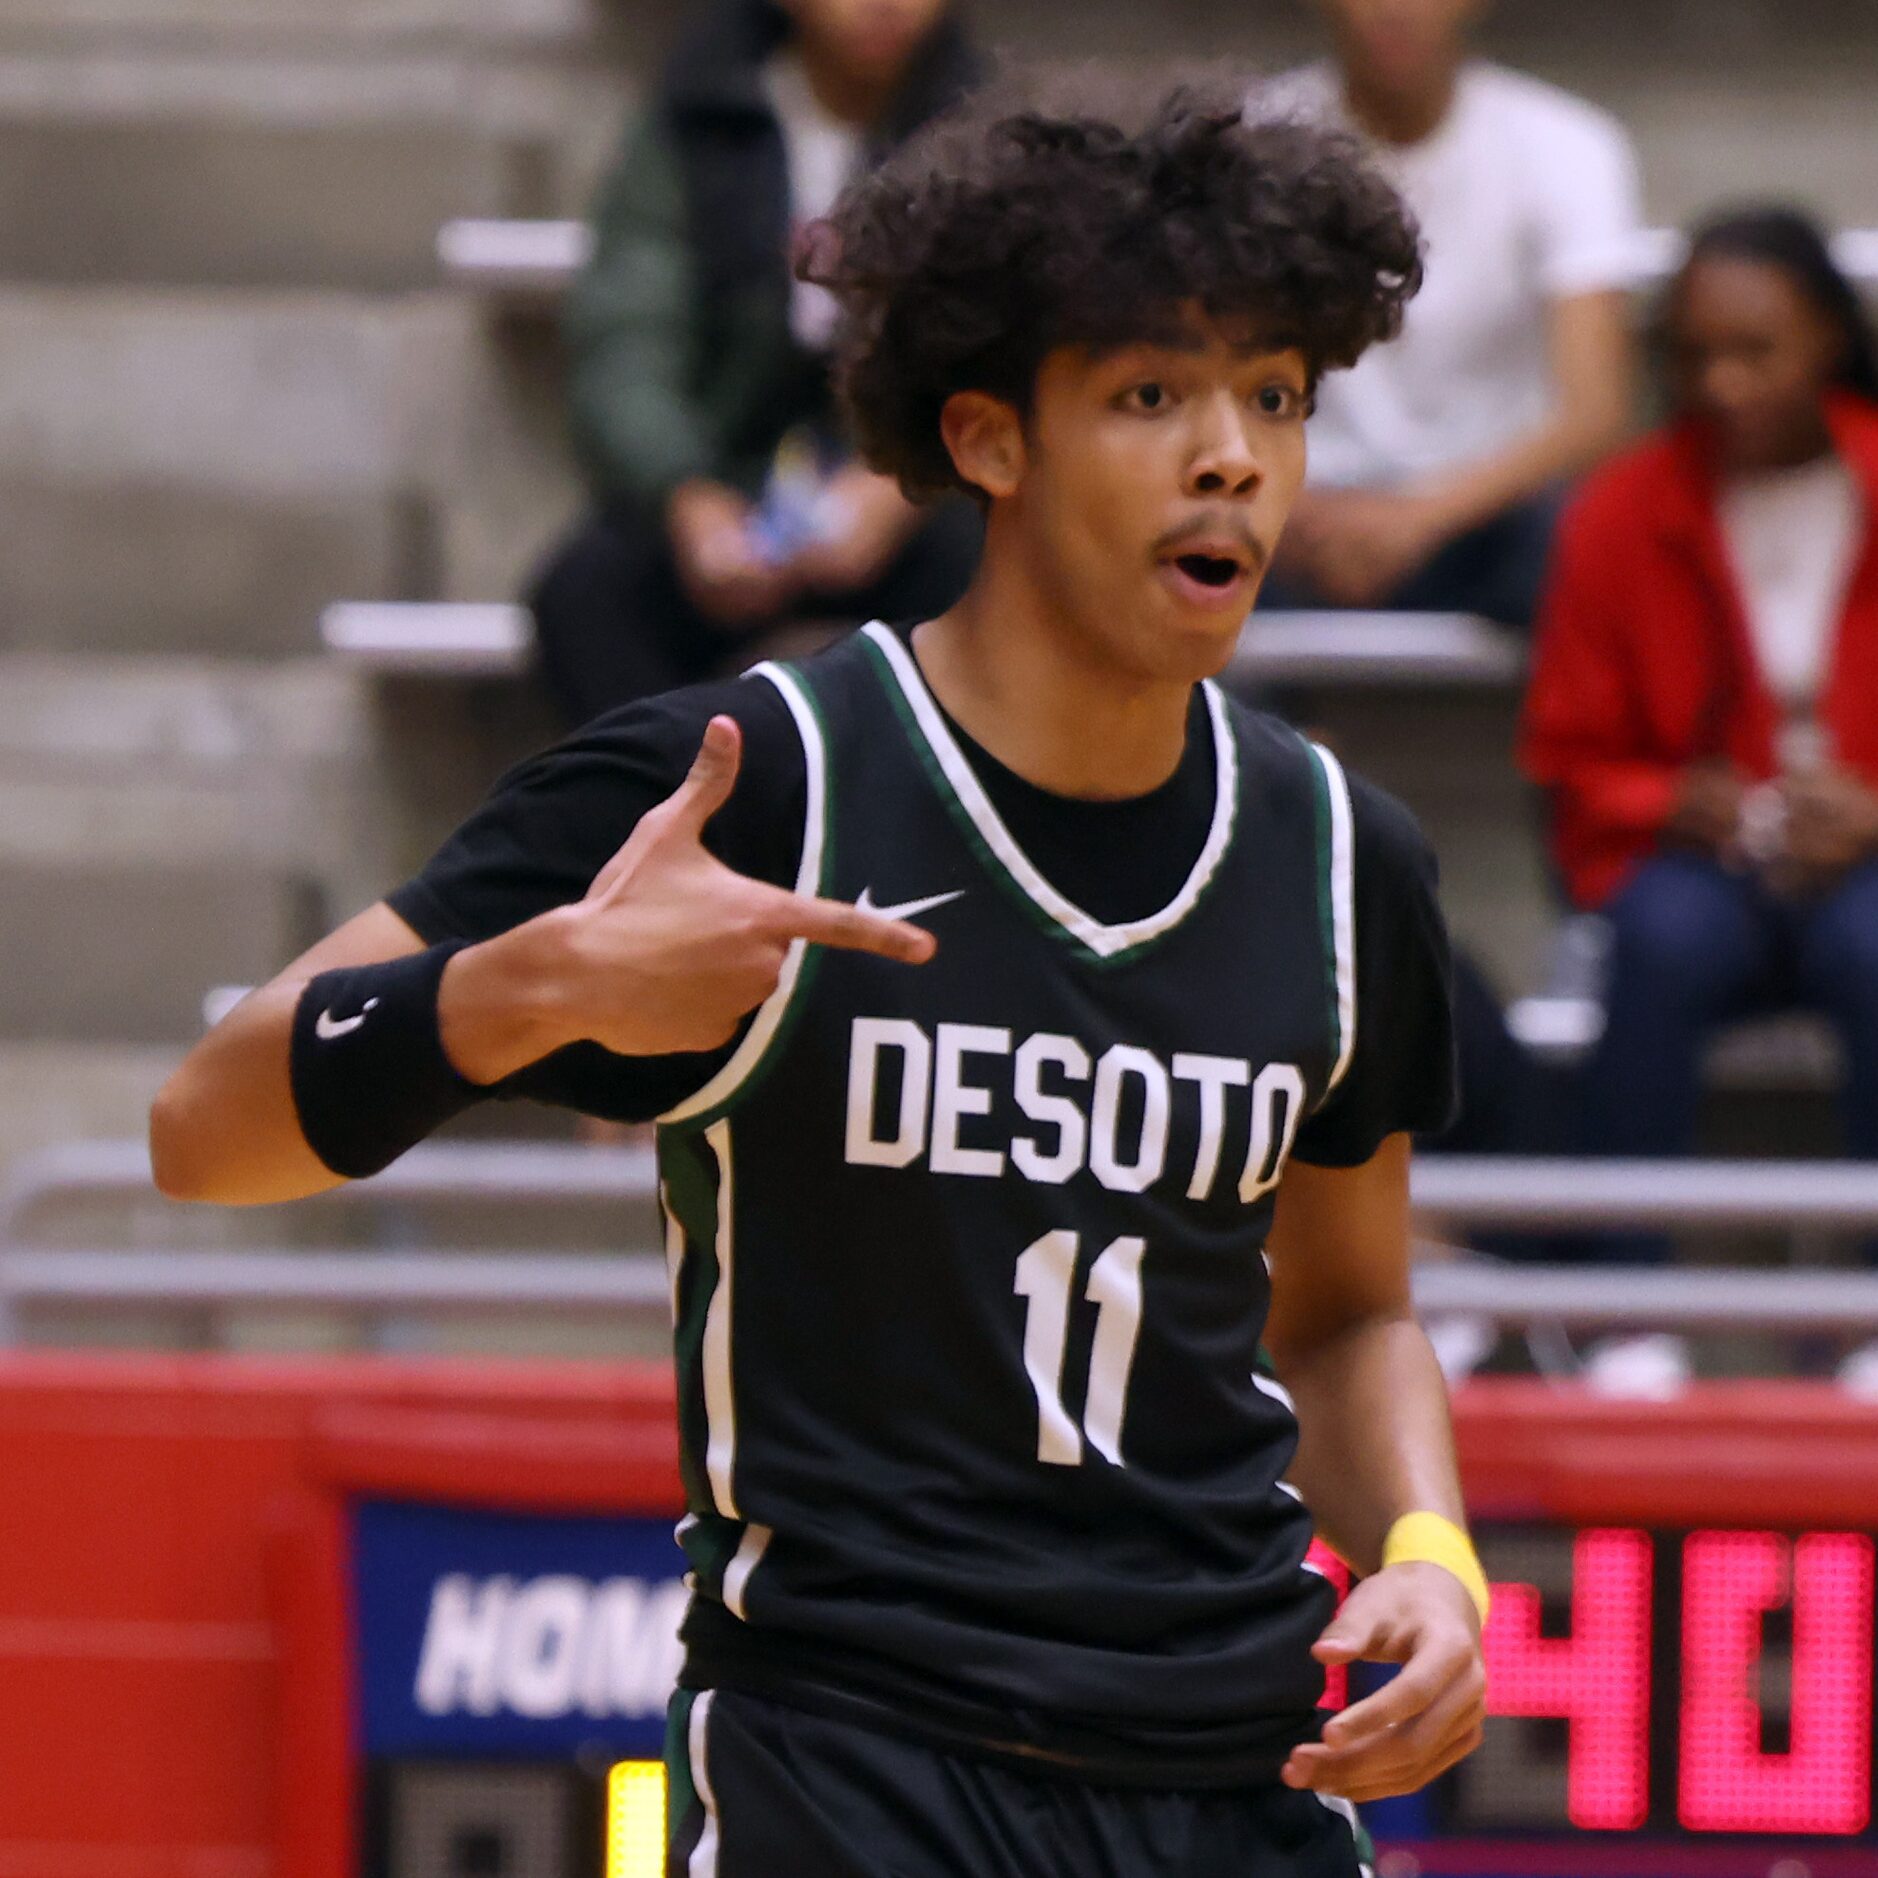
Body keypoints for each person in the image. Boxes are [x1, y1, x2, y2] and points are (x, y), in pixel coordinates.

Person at [150, 79, 1488, 1875]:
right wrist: (530, 989)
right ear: (988, 439)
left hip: (1233, 1770)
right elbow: (205, 1124)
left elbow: (1339, 1314)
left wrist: (1427, 1549)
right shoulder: (749, 780)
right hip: (852, 1766)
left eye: (1274, 397)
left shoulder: (1342, 858)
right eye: (1151, 395)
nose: (1231, 454)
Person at [1521, 208, 1878, 1393]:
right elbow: (1567, 752)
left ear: (1829, 337)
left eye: (1756, 350)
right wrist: (1684, 799)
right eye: (1694, 354)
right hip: (1691, 851)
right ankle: (1628, 1318)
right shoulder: (1619, 510)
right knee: (1657, 941)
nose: (1721, 383)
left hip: (1865, 855)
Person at [531, 0, 985, 726]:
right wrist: (688, 497)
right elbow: (625, 341)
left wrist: (901, 483)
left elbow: (998, 338)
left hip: (917, 497)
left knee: (997, 585)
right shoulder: (699, 118)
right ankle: (672, 817)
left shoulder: (982, 132)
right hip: (726, 486)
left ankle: (933, 829)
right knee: (587, 596)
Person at [1260, 0, 1639, 627]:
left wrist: (1417, 519)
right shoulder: (1252, 140)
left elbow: (1595, 412)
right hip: (1294, 513)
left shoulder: (1565, 144)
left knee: (1586, 542)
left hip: (1486, 516)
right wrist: (1289, 506)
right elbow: (1206, 366)